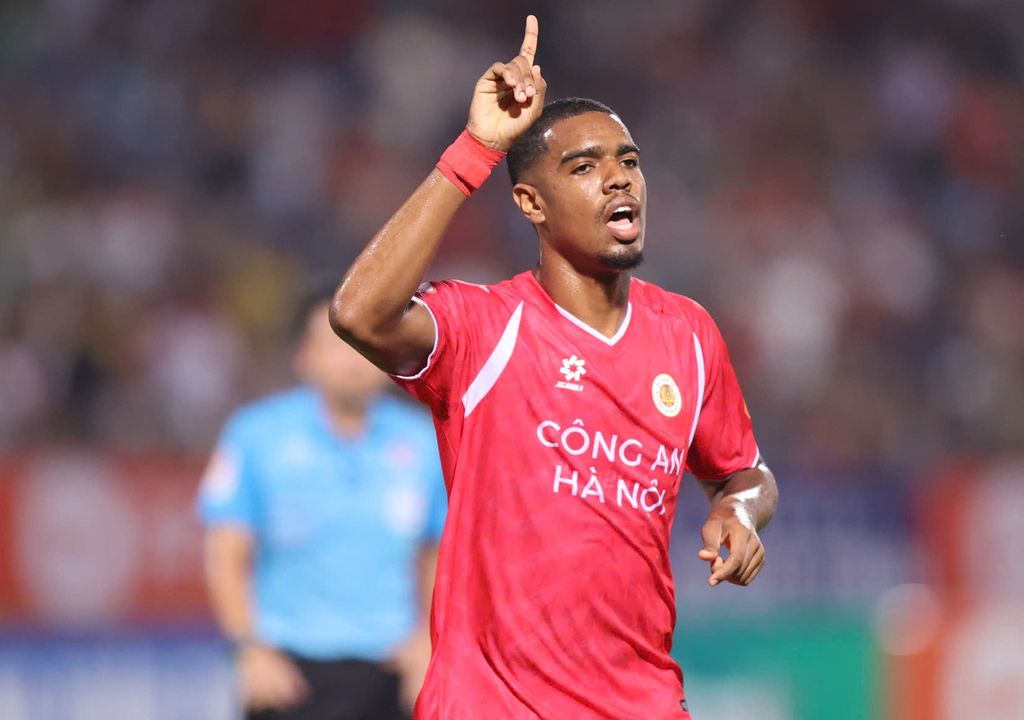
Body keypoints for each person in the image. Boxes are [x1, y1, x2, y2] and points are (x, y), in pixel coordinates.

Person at [329, 15, 778, 720]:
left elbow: (745, 472)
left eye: (628, 160)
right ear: (531, 202)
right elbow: (360, 313)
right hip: (490, 706)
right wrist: (475, 150)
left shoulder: (689, 335)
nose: (618, 178)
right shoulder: (484, 328)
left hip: (641, 703)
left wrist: (738, 513)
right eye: (584, 167)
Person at [196, 286, 447, 720]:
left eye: (364, 343)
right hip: (289, 674)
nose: (353, 359)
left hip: (390, 673)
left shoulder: (421, 441)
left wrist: (429, 639)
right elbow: (225, 553)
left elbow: (438, 551)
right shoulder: (256, 435)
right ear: (304, 357)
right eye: (336, 344)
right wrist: (248, 650)